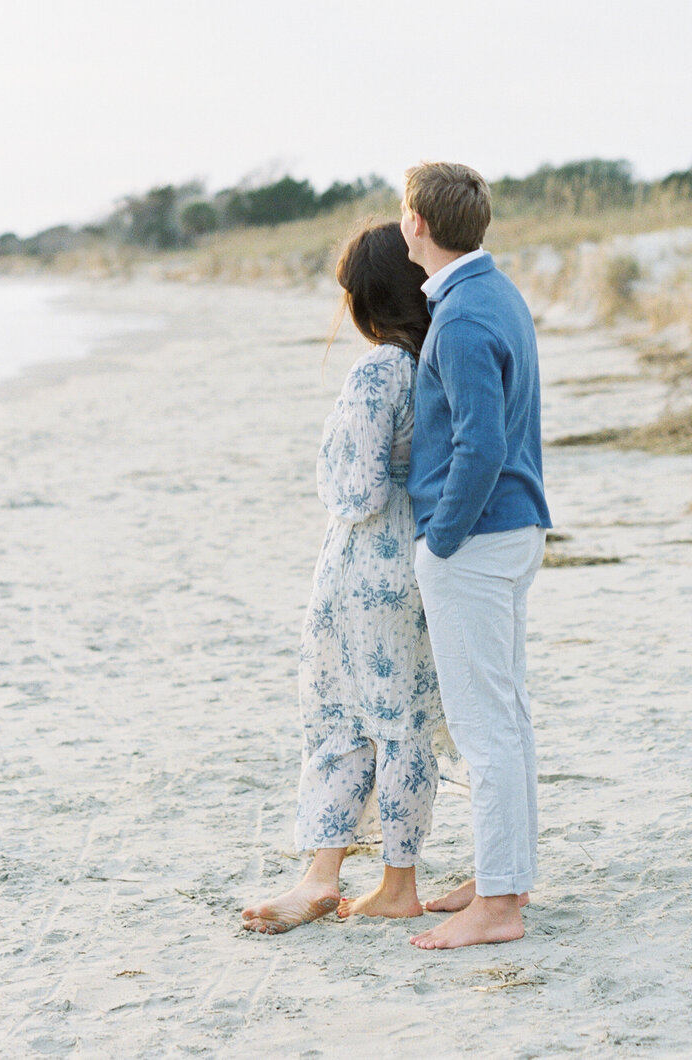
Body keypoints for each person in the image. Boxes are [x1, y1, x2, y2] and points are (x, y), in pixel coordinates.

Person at [242, 221, 448, 934]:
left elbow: (356, 490)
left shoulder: (378, 369)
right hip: (419, 553)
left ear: (366, 299)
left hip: (365, 560)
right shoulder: (437, 359)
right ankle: (393, 879)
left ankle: (327, 875)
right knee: (405, 724)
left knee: (343, 716)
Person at [400, 161, 552, 951]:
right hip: (513, 529)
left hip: (480, 537)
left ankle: (498, 906)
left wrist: (441, 537)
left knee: (485, 726)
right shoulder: (494, 293)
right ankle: (506, 876)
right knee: (509, 717)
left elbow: (481, 442)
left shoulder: (458, 319)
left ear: (415, 225)